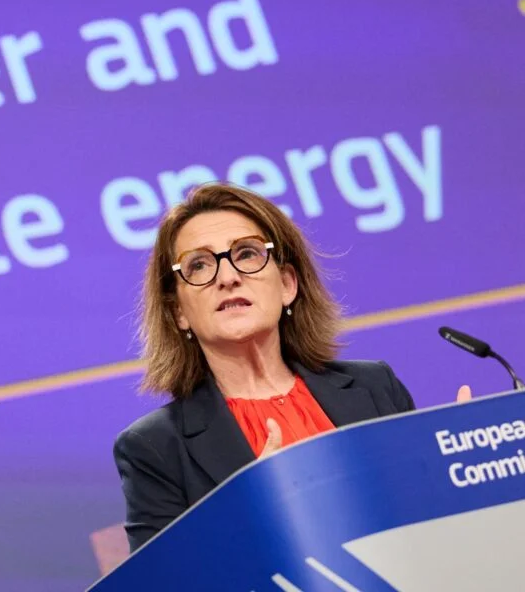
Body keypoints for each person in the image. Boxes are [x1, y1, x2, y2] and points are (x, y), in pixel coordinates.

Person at [113, 183, 422, 552]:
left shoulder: (374, 387)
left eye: (247, 254)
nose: (228, 278)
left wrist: (454, 458)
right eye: (199, 265)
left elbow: (425, 524)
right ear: (179, 312)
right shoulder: (155, 447)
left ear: (288, 284)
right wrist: (251, 511)